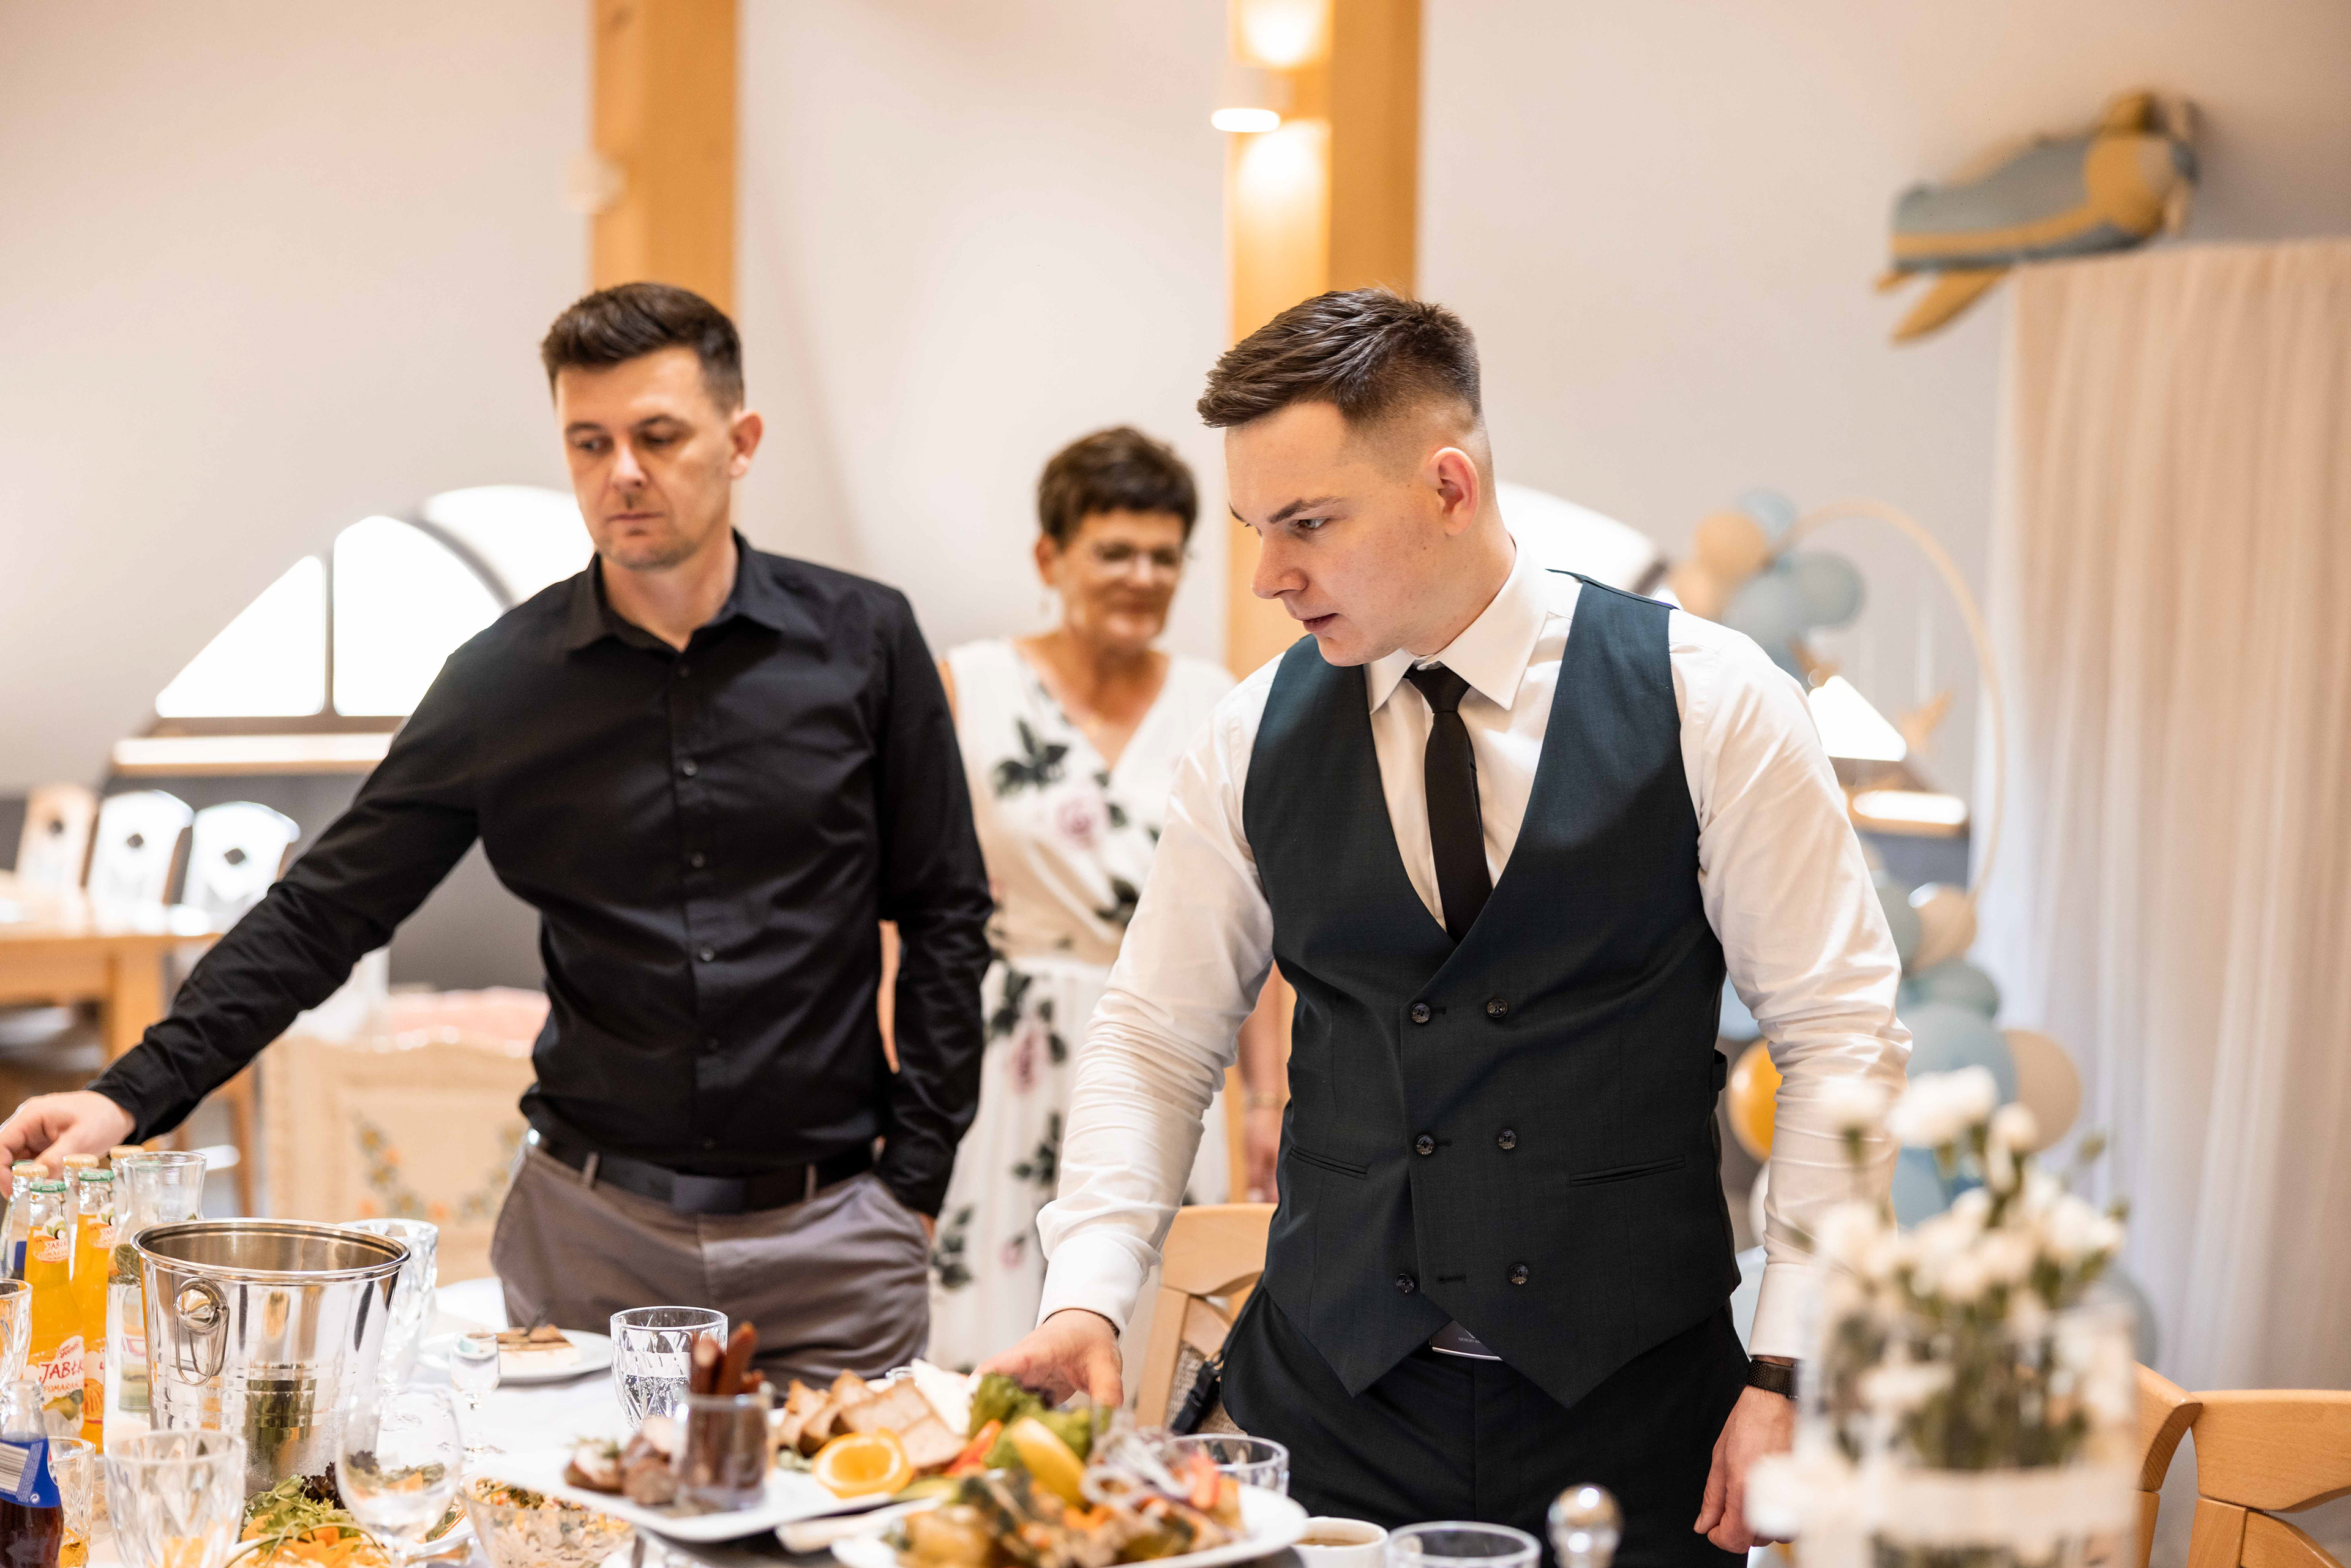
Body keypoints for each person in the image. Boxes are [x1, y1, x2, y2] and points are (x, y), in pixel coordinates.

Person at [983, 290, 1909, 1563]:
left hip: (1639, 1415)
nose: (1267, 575)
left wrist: (1792, 1368)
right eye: (1256, 529)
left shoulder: (1713, 702)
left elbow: (1840, 1036)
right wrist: (1088, 1294)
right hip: (1328, 1406)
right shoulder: (1249, 735)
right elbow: (1155, 1036)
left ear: (1449, 487)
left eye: (1307, 523)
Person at [0, 283, 992, 1382]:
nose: (623, 472)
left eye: (660, 435)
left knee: (850, 1501)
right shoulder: (503, 681)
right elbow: (325, 910)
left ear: (741, 440)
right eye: (590, 441)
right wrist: (126, 1094)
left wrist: (917, 1179)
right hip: (594, 1246)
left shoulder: (867, 642)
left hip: (835, 1244)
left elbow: (947, 914)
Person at [925, 427, 1286, 1372]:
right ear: (1050, 557)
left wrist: (1267, 1099)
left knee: (1155, 1339)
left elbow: (1255, 919)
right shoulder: (969, 687)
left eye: (1165, 556)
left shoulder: (1221, 704)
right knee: (989, 1336)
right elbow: (912, 912)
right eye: (1115, 551)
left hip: (1170, 1048)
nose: (1142, 576)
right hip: (1005, 1057)